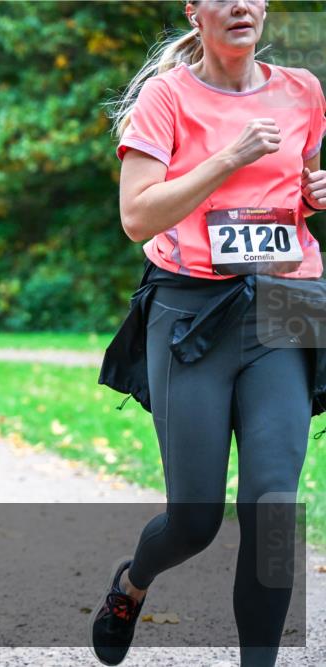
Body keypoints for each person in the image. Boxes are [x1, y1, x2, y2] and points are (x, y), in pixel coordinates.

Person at [92, 1, 326, 666]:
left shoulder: (303, 90)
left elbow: (288, 194)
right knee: (194, 519)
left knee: (275, 505)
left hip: (286, 300)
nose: (242, 6)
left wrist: (312, 195)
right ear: (196, 11)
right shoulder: (167, 97)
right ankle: (132, 583)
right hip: (191, 309)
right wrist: (228, 157)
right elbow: (137, 216)